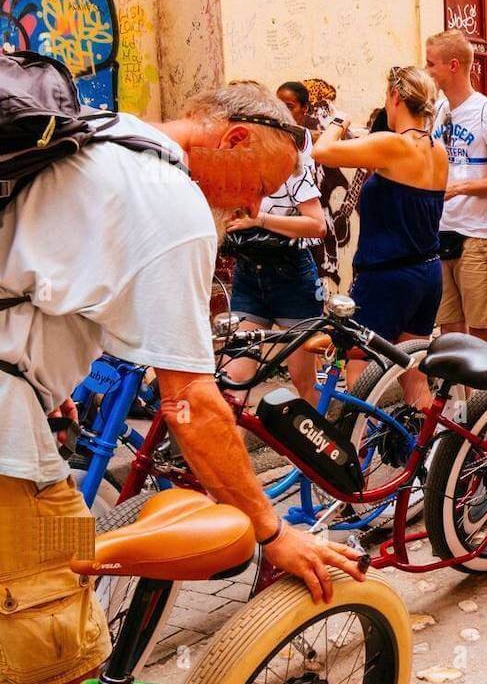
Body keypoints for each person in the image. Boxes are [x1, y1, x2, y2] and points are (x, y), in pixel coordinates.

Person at [0, 82, 367, 684]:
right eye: (260, 184)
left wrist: (39, 374)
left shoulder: (105, 130)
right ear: (236, 137)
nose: (255, 202)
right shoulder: (173, 204)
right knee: (55, 647)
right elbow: (191, 405)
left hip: (19, 402)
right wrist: (271, 532)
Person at [312, 66, 448, 403]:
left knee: (357, 362)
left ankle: (354, 448)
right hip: (427, 272)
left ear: (395, 97)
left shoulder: (393, 145)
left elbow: (321, 152)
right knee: (413, 370)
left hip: (388, 276)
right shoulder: (436, 150)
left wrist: (337, 124)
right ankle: (424, 450)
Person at [222, 83, 327, 407]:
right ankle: (230, 457)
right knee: (233, 379)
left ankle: (313, 456)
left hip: (292, 280)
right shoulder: (229, 164)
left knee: (303, 383)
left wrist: (261, 220)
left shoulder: (288, 163)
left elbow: (317, 225)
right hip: (248, 280)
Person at [425, 30, 487, 351]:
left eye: (431, 64)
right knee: (449, 333)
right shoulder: (437, 111)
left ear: (453, 65)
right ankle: (458, 402)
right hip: (440, 234)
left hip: (476, 238)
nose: (427, 71)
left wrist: (460, 187)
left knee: (481, 334)